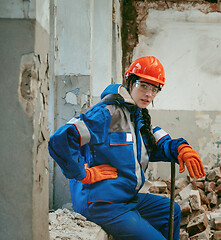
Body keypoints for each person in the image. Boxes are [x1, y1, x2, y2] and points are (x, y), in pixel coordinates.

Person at [48, 56, 206, 240]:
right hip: (102, 202)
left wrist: (179, 148)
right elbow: (60, 139)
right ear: (129, 82)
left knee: (171, 211)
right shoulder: (106, 113)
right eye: (143, 86)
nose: (149, 94)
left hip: (125, 198)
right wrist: (83, 174)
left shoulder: (136, 116)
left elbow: (154, 144)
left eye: (154, 89)